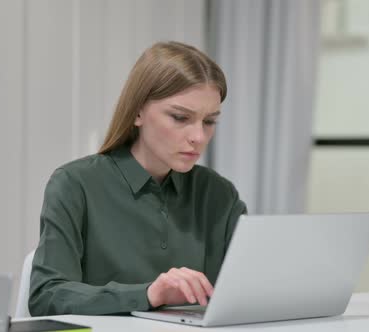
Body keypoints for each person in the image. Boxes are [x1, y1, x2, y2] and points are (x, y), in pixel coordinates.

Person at [28, 41, 247, 316]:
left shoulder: (219, 194)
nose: (198, 137)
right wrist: (147, 294)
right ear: (138, 112)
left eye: (209, 121)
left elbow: (248, 292)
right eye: (180, 117)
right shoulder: (75, 185)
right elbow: (46, 295)